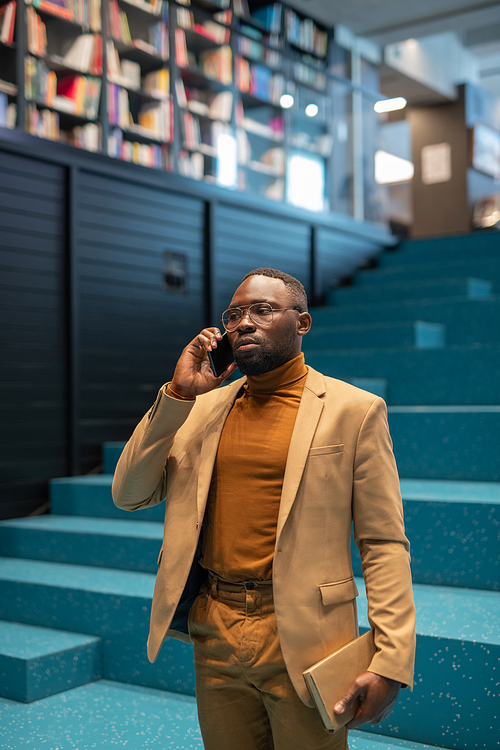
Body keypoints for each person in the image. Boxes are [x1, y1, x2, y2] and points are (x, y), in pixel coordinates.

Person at [112, 268, 416, 750]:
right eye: (234, 314)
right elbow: (129, 493)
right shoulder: (205, 407)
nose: (244, 323)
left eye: (262, 310)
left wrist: (390, 661)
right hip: (215, 626)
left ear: (303, 323)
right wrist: (178, 396)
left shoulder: (354, 411)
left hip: (307, 635)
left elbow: (383, 543)